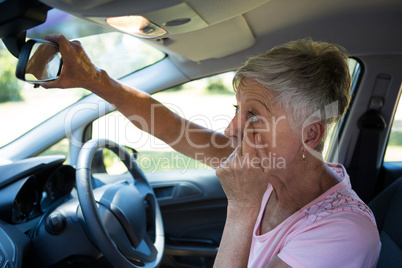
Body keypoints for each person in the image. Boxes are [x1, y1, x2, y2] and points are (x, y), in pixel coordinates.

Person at [42, 34, 380, 267]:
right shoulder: (269, 164)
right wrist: (93, 79)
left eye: (253, 115)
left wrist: (242, 207)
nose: (232, 130)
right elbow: (173, 128)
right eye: (237, 109)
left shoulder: (345, 233)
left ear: (310, 134)